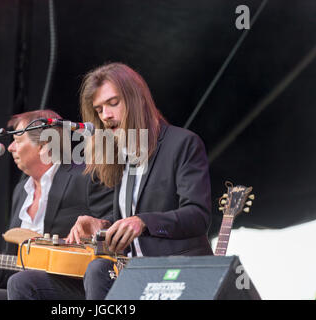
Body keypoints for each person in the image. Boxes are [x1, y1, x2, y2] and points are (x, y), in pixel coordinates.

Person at [65, 62, 214, 299]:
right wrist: (102, 225)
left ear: (137, 99)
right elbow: (130, 216)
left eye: (113, 103)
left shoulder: (183, 143)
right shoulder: (122, 155)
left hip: (177, 273)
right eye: (100, 109)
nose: (106, 115)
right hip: (135, 273)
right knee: (27, 283)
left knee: (98, 271)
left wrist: (142, 222)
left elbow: (198, 216)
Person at [0, 109, 114, 300]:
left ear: (44, 145)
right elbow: (12, 264)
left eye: (18, 141)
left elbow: (113, 222)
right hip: (26, 288)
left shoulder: (84, 177)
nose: (10, 147)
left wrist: (95, 227)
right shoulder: (21, 191)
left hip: (76, 288)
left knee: (21, 283)